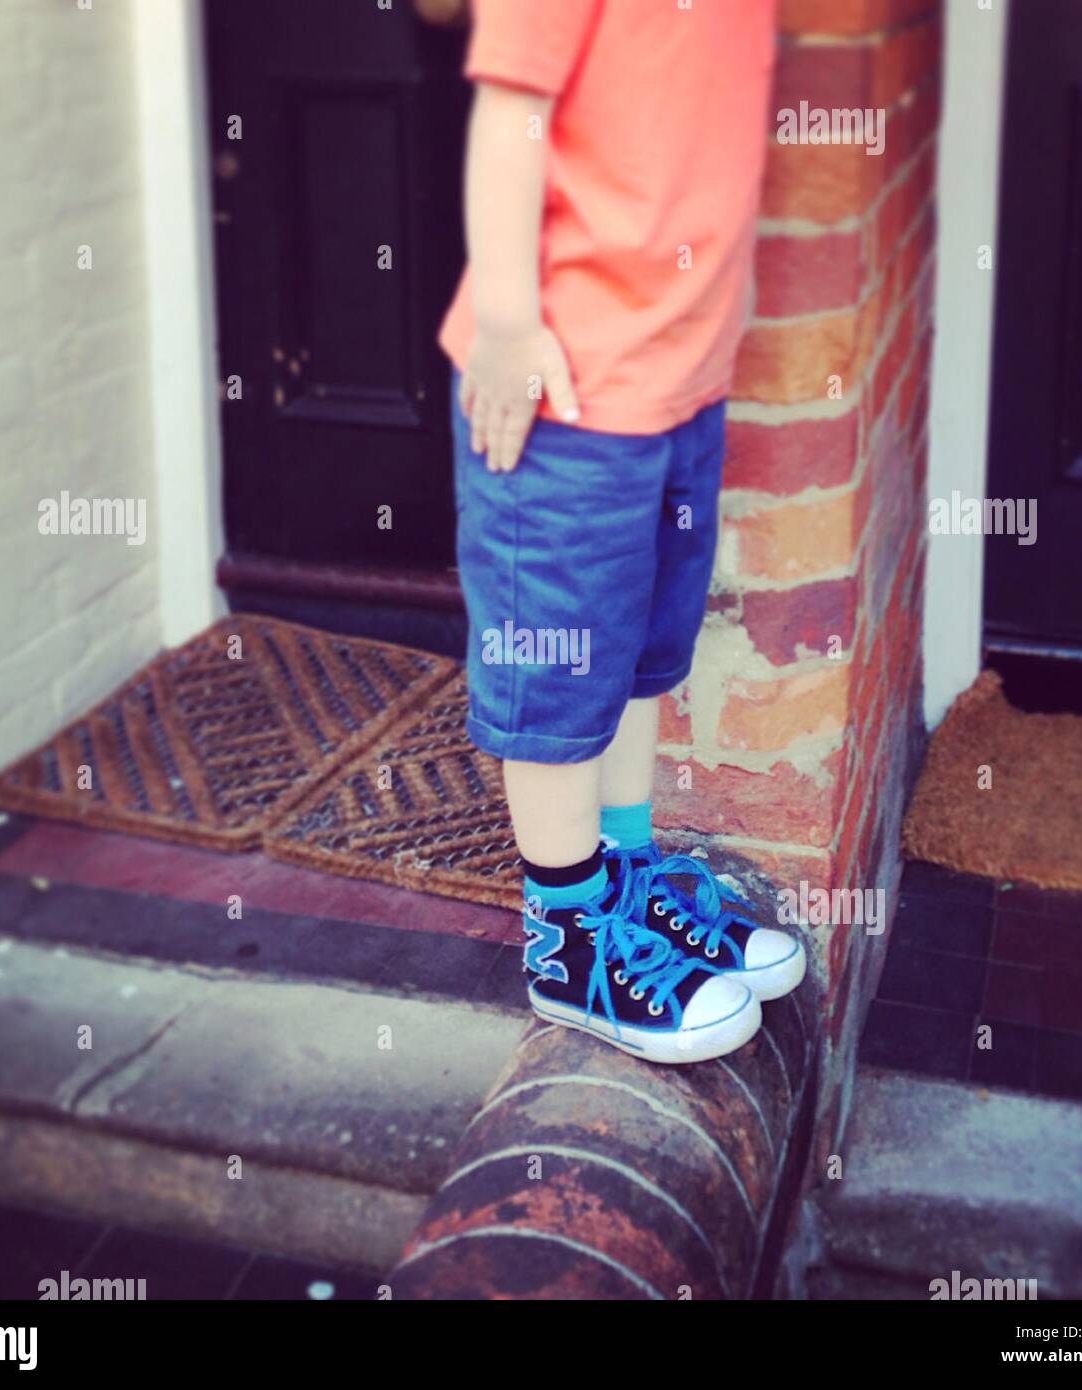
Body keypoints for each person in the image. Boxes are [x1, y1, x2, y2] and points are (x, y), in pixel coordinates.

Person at [440, 0, 804, 1063]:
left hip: (675, 382)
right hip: (566, 391)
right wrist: (507, 320)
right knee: (558, 670)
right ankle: (567, 934)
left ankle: (625, 871)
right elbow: (509, 108)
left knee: (644, 652)